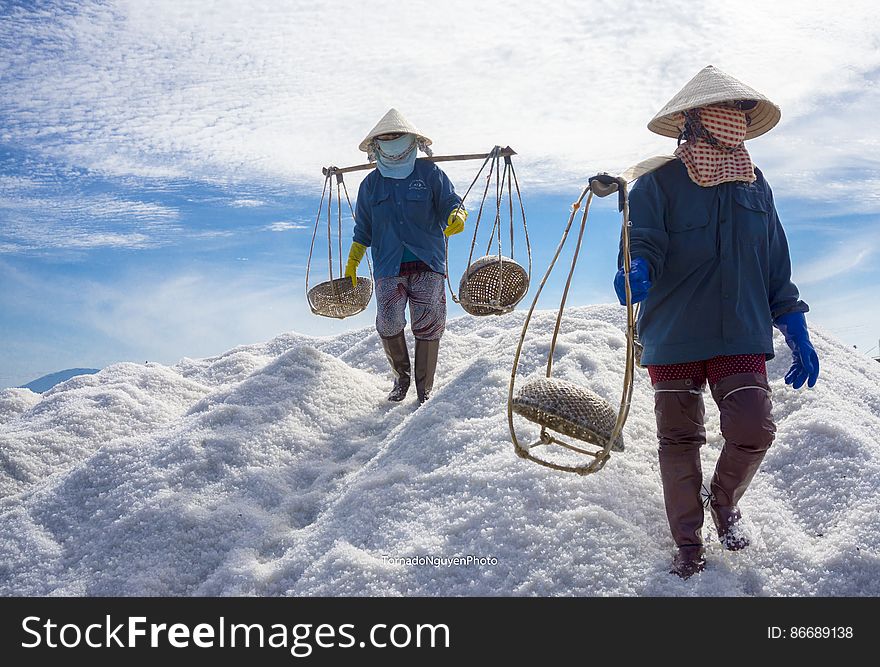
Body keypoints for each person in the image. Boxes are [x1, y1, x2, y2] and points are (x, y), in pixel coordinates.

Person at [613, 66, 820, 579]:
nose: (735, 121)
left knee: (753, 426)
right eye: (724, 112)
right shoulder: (656, 185)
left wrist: (793, 321)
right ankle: (687, 541)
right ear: (694, 121)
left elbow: (775, 260)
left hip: (739, 331)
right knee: (679, 441)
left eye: (741, 113)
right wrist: (636, 268)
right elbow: (645, 245)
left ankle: (723, 501)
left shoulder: (756, 185)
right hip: (675, 333)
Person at [345, 108, 467, 405]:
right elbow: (363, 229)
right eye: (385, 139)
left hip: (427, 262)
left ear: (411, 140)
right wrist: (353, 261)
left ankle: (424, 390)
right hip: (389, 264)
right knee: (388, 322)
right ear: (376, 146)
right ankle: (402, 378)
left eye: (396, 137)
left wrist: (457, 214)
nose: (391, 143)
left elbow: (451, 201)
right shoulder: (370, 185)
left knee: (428, 324)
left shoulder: (430, 173)